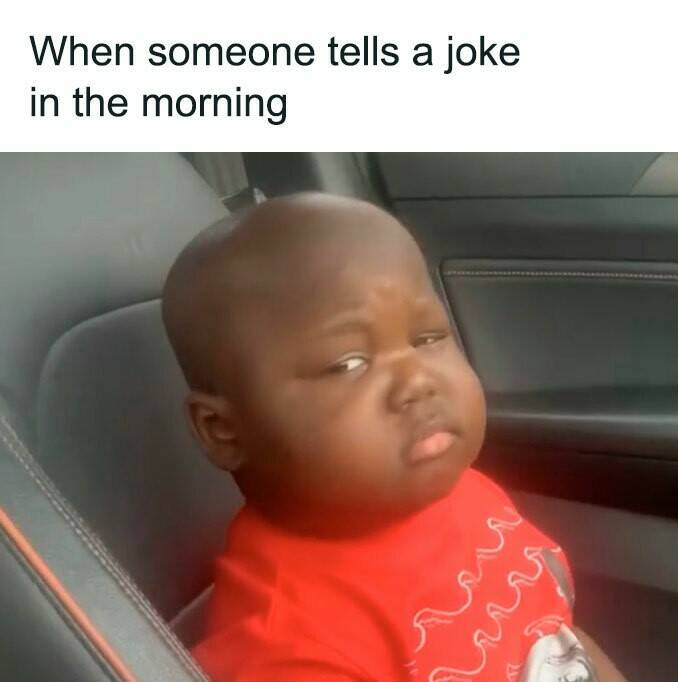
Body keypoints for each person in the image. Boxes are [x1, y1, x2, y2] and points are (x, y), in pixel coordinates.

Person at [162, 193, 627, 681]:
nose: (417, 380)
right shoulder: (287, 647)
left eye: (427, 338)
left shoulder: (459, 491)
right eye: (348, 363)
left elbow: (552, 632)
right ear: (224, 431)